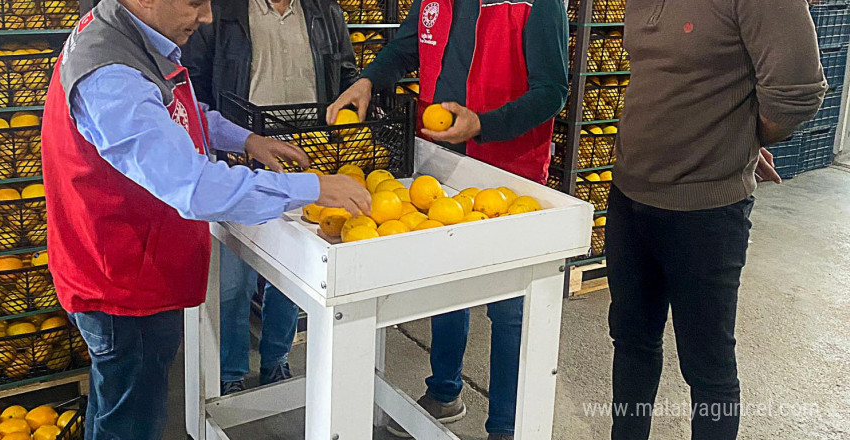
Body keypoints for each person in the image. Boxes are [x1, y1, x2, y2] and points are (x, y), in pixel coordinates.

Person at [40, 0, 371, 438]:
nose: (208, 17)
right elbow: (194, 187)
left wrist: (245, 138)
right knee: (132, 421)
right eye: (195, 2)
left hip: (128, 264)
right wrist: (312, 188)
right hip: (121, 283)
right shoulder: (111, 75)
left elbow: (174, 110)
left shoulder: (127, 32)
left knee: (114, 403)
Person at [327, 0, 568, 437]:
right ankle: (444, 393)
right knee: (446, 286)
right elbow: (403, 49)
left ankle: (506, 426)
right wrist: (367, 80)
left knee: (511, 308)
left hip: (509, 177)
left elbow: (552, 90)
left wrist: (484, 125)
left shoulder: (537, 4)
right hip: (442, 164)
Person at [607, 1, 827, 439]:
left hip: (705, 213)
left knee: (707, 368)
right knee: (631, 343)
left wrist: (738, 137)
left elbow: (797, 92)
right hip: (630, 195)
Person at [181, 0, 358, 394]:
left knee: (291, 277)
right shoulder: (222, 11)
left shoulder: (324, 11)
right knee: (233, 283)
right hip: (242, 159)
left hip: (308, 160)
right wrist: (225, 140)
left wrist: (350, 105)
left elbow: (345, 71)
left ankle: (276, 359)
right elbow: (194, 84)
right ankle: (229, 372)